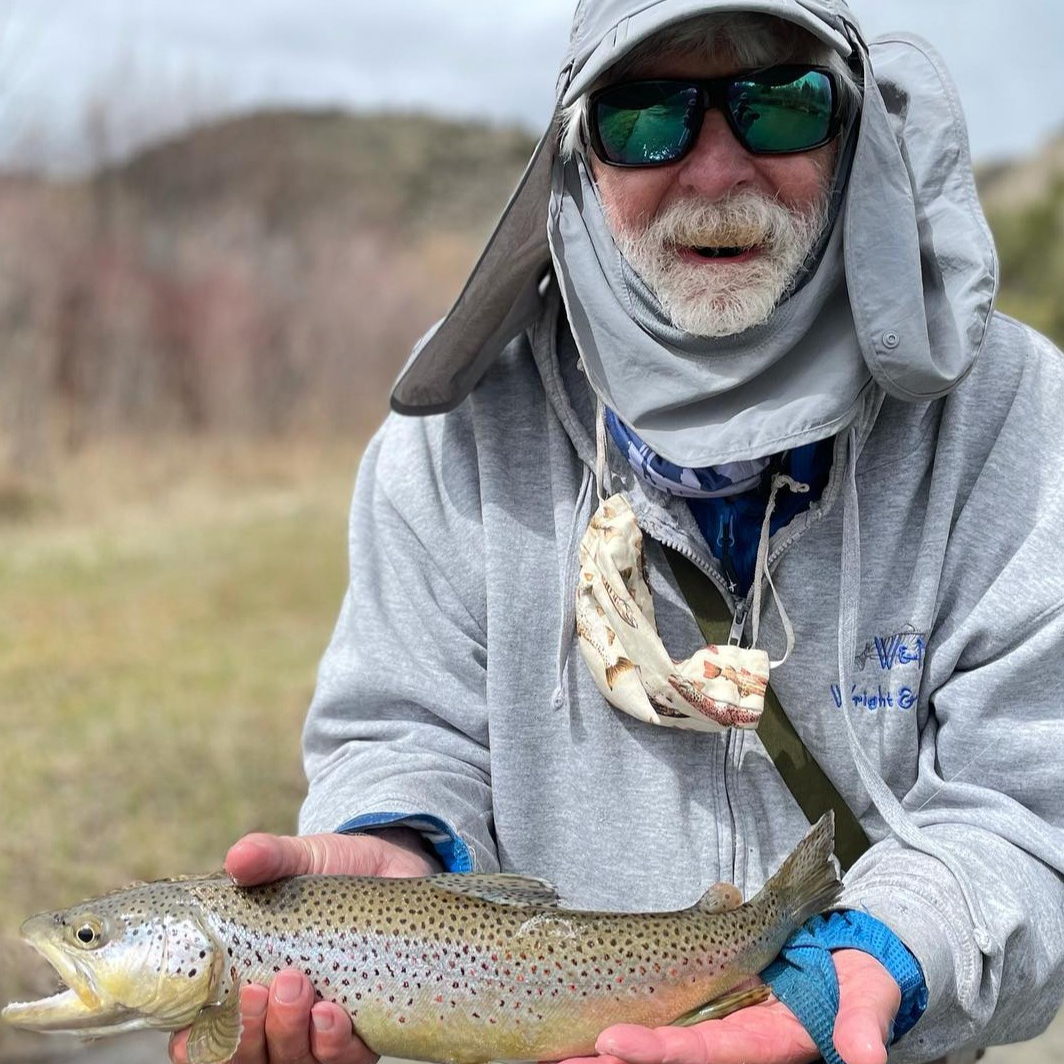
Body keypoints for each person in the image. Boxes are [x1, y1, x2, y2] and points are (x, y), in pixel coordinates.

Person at [169, 2, 1064, 1064]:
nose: (717, 169)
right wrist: (397, 842)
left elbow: (1026, 806)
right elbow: (402, 728)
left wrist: (866, 970)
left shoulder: (1009, 414)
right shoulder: (456, 430)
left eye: (780, 104)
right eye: (647, 117)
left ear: (853, 126)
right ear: (580, 148)